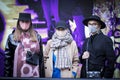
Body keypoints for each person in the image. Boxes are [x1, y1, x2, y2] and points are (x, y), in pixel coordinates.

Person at [4, 13, 45, 77]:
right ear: (18, 22)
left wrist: (42, 77)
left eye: (27, 22)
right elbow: (8, 60)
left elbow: (41, 59)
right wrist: (7, 77)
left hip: (34, 74)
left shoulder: (37, 37)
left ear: (30, 23)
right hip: (16, 75)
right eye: (22, 21)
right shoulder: (12, 37)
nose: (24, 24)